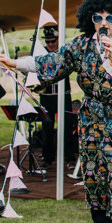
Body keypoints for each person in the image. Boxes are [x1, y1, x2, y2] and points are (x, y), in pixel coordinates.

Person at [0, 0, 112, 223]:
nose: (104, 23)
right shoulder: (82, 44)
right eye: (98, 18)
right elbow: (52, 62)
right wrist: (15, 63)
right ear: (91, 20)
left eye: (110, 18)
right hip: (90, 120)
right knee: (94, 175)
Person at [33, 25, 76, 165]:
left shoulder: (64, 52)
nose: (50, 44)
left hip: (64, 95)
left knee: (67, 127)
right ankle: (47, 157)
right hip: (46, 96)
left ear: (59, 40)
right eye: (48, 41)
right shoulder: (41, 54)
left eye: (53, 41)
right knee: (47, 128)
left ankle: (69, 158)